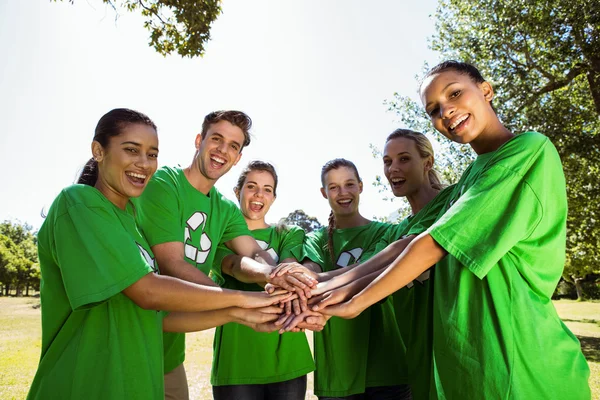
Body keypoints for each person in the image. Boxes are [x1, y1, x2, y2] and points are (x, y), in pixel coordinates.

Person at [321, 61, 592, 399]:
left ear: (486, 90)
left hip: (517, 364)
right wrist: (321, 285)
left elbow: (435, 243)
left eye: (454, 94)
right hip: (463, 367)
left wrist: (354, 304)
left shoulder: (528, 150)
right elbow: (405, 244)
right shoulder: (468, 181)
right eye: (434, 109)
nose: (446, 111)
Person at [27, 109, 292, 400]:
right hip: (85, 380)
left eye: (152, 154)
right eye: (131, 150)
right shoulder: (79, 202)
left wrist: (242, 309)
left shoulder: (131, 221)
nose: (143, 164)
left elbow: (160, 317)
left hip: (143, 372)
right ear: (98, 151)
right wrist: (246, 299)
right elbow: (148, 291)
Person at [135, 110, 314, 400]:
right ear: (199, 140)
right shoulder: (165, 184)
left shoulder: (225, 209)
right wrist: (245, 300)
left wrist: (279, 279)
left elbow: (254, 252)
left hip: (168, 348)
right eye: (216, 139)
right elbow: (172, 264)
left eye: (233, 146)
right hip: (133, 334)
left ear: (238, 157)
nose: (222, 150)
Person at [209, 160, 323, 399]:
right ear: (237, 192)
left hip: (288, 356)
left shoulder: (287, 233)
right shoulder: (219, 237)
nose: (259, 194)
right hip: (237, 360)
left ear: (273, 197)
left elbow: (291, 263)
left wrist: (289, 278)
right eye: (251, 186)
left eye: (267, 189)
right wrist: (275, 278)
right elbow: (234, 266)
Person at [301, 158, 411, 400]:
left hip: (388, 367)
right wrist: (301, 277)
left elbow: (367, 268)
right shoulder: (315, 239)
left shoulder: (386, 233)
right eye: (334, 187)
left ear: (361, 186)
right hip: (337, 370)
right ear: (323, 193)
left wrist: (318, 280)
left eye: (349, 184)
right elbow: (309, 273)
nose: (343, 193)